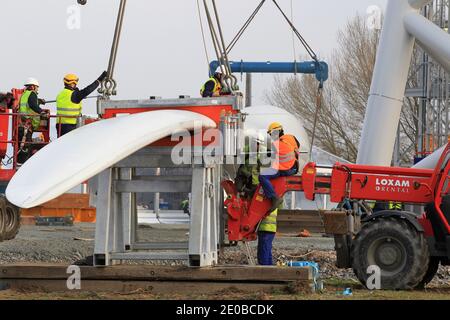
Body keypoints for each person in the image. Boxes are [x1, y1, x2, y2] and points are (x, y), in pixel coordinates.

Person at [234, 136, 280, 266]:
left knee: (264, 245)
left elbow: (251, 176)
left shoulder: (251, 156)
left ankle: (266, 268)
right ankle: (267, 268)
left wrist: (246, 189)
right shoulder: (260, 156)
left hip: (258, 196)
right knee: (265, 246)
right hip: (259, 196)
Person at [259, 122, 300, 214]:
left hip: (285, 169)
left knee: (263, 176)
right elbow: (298, 145)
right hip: (294, 167)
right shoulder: (291, 138)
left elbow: (267, 156)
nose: (271, 136)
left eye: (271, 134)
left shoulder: (276, 144)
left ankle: (274, 198)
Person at [56, 71, 107, 137]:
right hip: (71, 125)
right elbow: (88, 90)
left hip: (60, 125)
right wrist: (99, 80)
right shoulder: (74, 95)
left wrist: (78, 93)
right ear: (73, 83)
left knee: (61, 144)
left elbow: (70, 101)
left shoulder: (61, 94)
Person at [18, 78, 47, 165]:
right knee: (26, 146)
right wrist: (41, 111)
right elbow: (32, 104)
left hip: (22, 123)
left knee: (22, 146)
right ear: (33, 87)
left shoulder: (24, 94)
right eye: (37, 87)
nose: (37, 89)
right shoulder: (32, 94)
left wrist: (39, 101)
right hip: (27, 124)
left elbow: (28, 104)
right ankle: (23, 166)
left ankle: (19, 164)